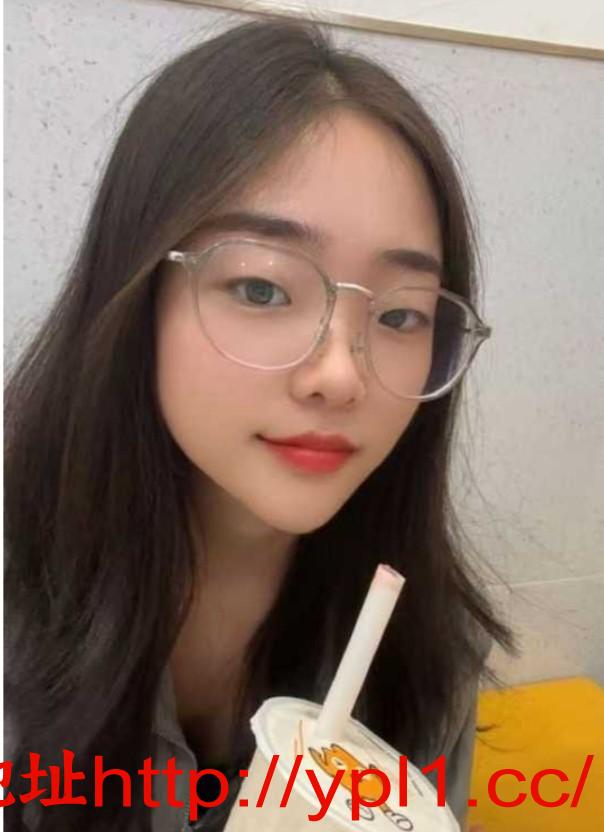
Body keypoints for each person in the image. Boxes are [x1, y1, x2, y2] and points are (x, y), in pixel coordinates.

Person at [4, 13, 515, 832]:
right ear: (135, 295)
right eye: (262, 288)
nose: (341, 376)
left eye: (401, 315)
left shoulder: (426, 647)